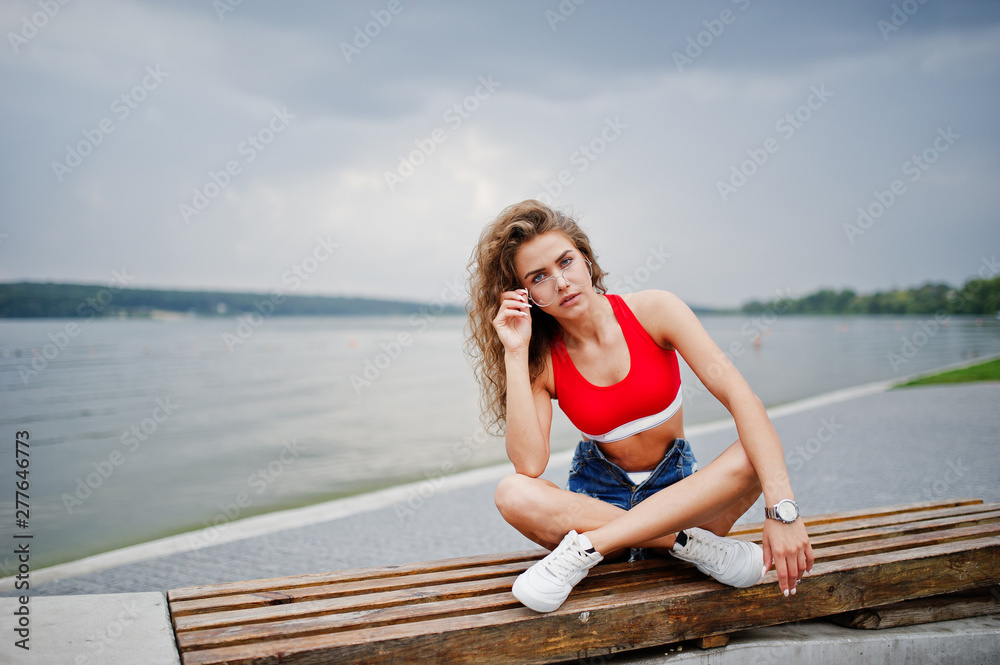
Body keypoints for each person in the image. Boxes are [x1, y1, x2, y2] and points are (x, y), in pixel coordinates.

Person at [465, 200, 814, 613]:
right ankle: (686, 547)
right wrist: (514, 352)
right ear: (525, 296)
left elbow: (743, 400)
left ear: (587, 260)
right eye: (539, 277)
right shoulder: (541, 360)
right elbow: (529, 464)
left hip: (682, 498)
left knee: (755, 450)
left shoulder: (655, 310)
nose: (560, 282)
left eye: (566, 262)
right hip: (599, 500)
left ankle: (591, 547)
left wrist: (783, 511)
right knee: (512, 491)